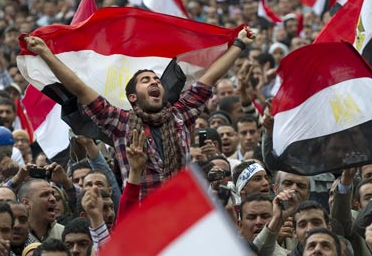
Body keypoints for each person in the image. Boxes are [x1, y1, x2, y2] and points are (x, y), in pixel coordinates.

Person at [24, 27, 255, 198]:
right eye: (146, 80)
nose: (154, 82)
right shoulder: (120, 123)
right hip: (143, 215)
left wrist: (239, 45)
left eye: (156, 79)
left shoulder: (180, 114)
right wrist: (46, 54)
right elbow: (79, 88)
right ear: (133, 98)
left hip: (182, 210)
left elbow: (210, 78)